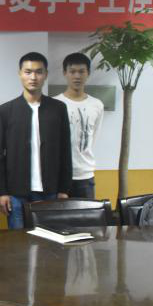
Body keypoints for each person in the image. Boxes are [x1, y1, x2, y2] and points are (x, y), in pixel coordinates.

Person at [0, 52, 72, 229]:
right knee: (18, 242)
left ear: (46, 74)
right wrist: (1, 192)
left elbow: (65, 150)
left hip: (50, 191)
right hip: (16, 193)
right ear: (20, 74)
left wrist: (64, 189)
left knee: (49, 241)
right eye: (28, 72)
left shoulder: (58, 108)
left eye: (38, 72)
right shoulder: (6, 110)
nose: (33, 77)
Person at [53, 53, 104, 199]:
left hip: (85, 176)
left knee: (87, 214)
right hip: (58, 176)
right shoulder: (54, 104)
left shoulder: (97, 105)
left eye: (81, 71)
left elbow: (93, 137)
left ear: (88, 73)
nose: (77, 76)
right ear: (65, 73)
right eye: (72, 71)